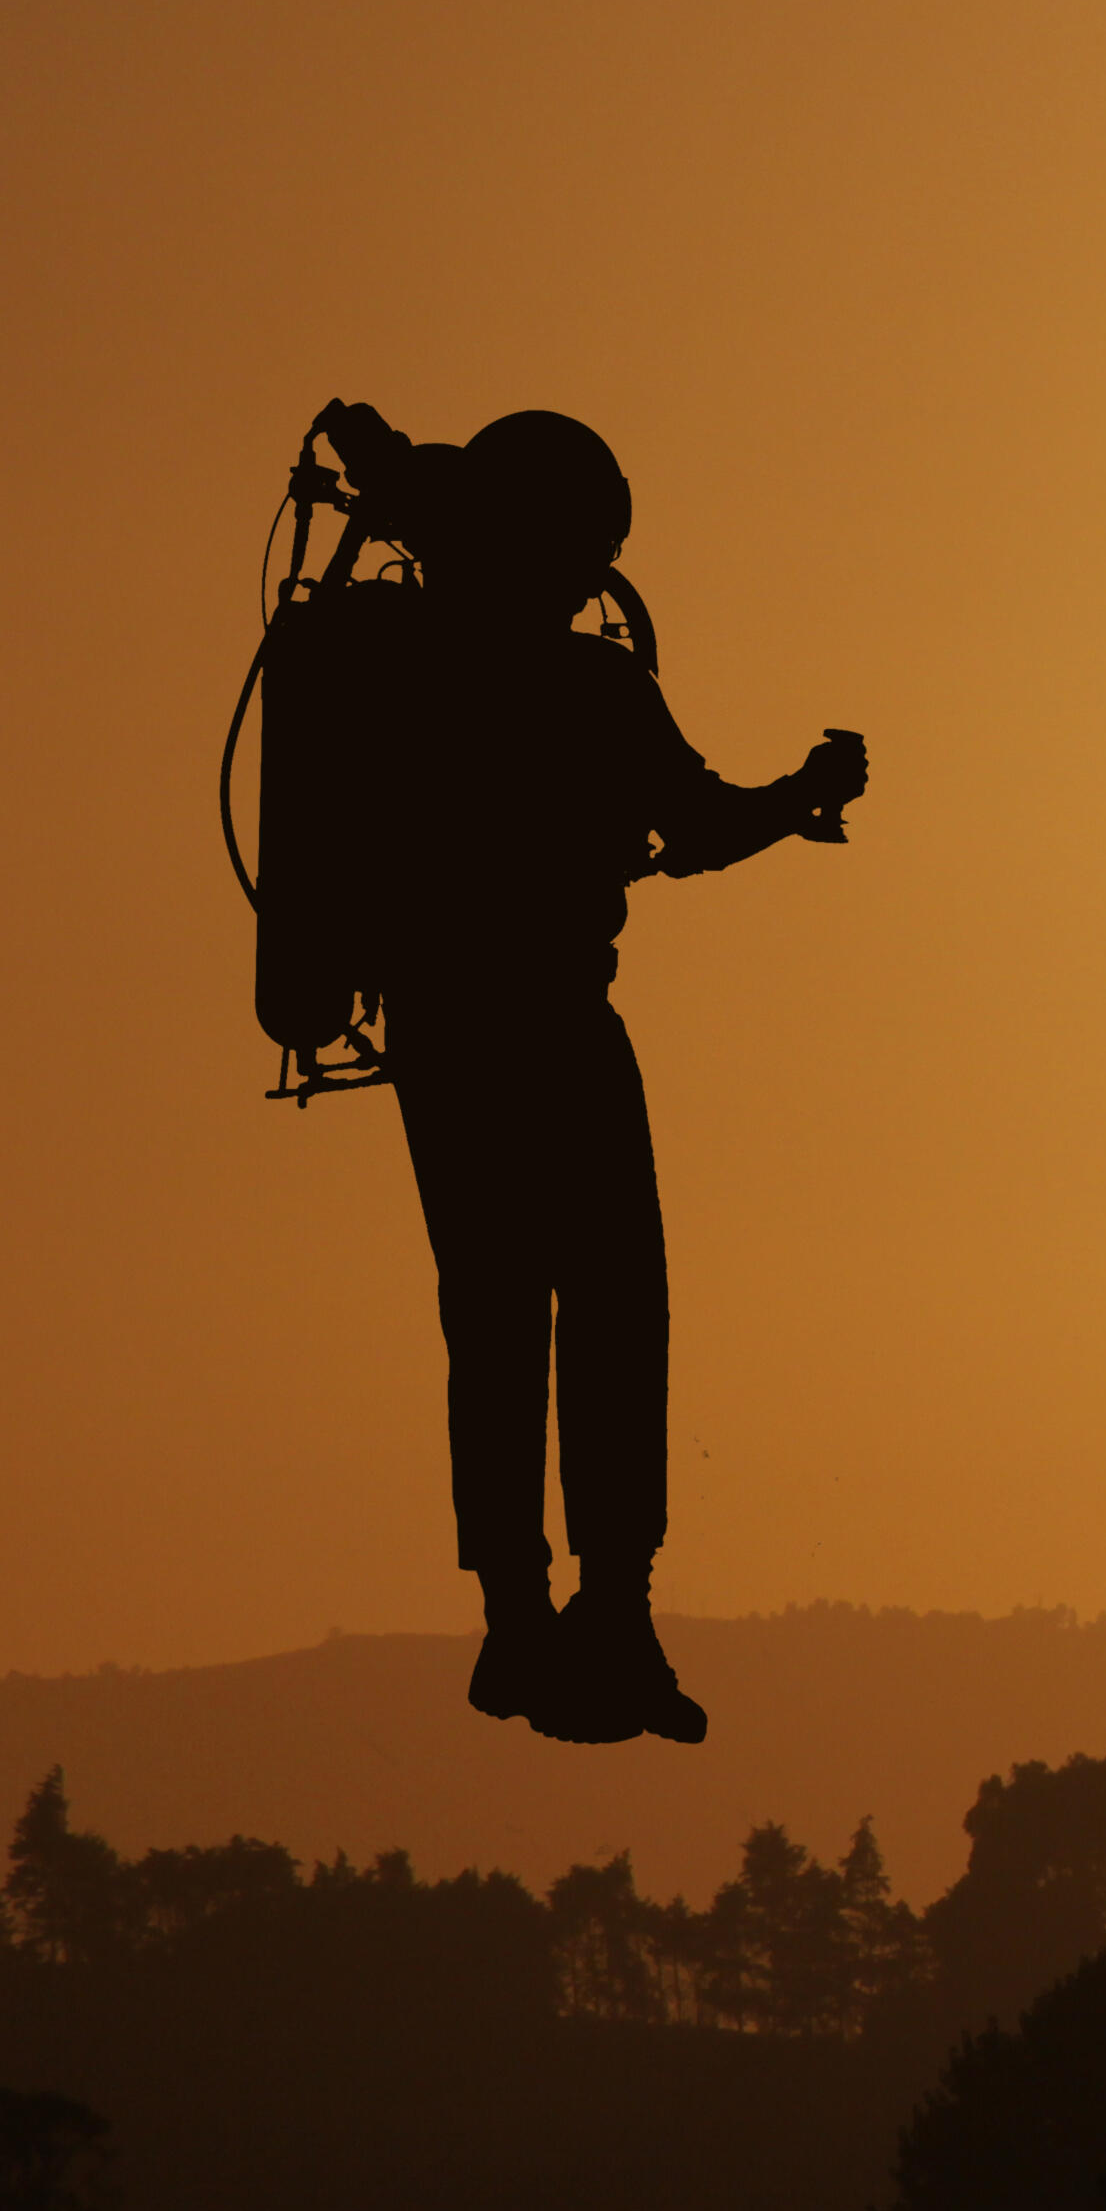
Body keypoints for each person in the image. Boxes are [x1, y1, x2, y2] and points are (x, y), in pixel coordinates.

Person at [319, 403, 866, 1744]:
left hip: (438, 1039)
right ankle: (612, 1608)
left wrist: (393, 470)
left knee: (493, 1314)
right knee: (616, 1307)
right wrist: (802, 796)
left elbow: (429, 509)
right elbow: (696, 827)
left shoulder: (400, 671)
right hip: (557, 1027)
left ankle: (516, 1615)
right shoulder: (586, 689)